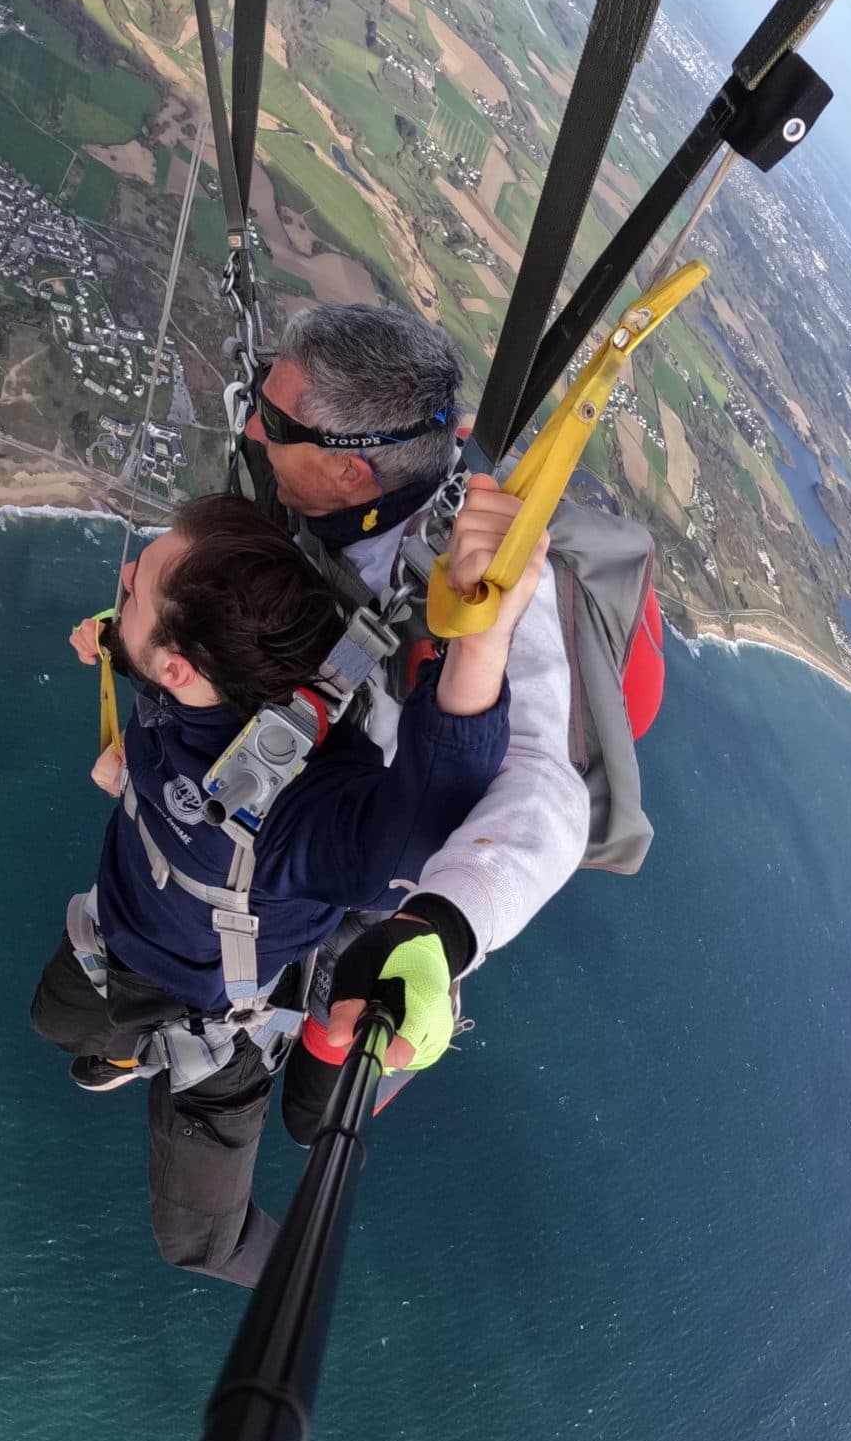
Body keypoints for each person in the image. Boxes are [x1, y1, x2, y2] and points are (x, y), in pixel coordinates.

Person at [31, 494, 539, 1284]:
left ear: (180, 668)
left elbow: (424, 815)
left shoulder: (301, 816)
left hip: (216, 1028)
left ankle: (299, 1274)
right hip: (118, 941)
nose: (122, 577)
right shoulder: (193, 670)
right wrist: (114, 632)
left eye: (131, 590)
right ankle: (128, 1050)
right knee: (55, 1020)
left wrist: (484, 637)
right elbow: (152, 643)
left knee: (197, 1241)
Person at [241, 304, 590, 1111]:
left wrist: (444, 924)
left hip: (394, 881)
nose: (255, 435)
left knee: (316, 1109)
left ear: (350, 473)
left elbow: (549, 784)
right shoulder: (320, 488)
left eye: (272, 421)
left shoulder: (486, 585)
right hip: (317, 809)